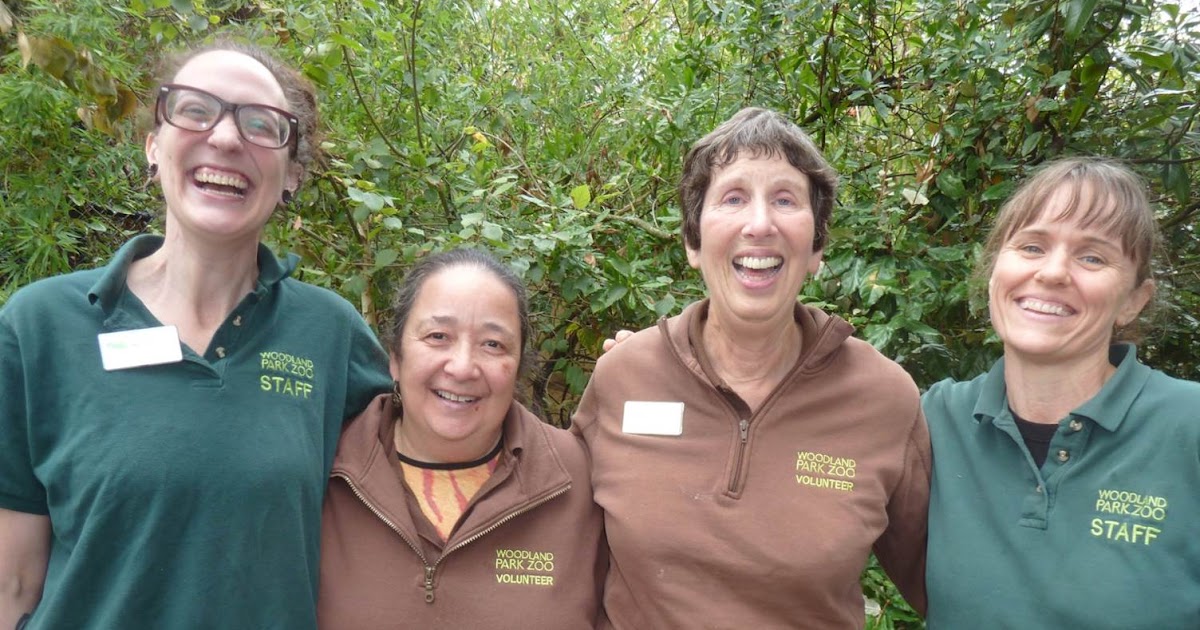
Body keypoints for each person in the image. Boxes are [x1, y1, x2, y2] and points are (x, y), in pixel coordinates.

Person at [0, 39, 392, 629]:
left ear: (292, 176)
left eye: (263, 125)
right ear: (153, 146)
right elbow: (13, 583)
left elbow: (446, 460)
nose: (228, 139)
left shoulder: (332, 336)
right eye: (195, 110)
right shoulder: (38, 327)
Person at [572, 107, 930, 628]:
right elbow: (555, 548)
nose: (759, 225)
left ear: (817, 248)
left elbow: (952, 584)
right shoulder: (623, 376)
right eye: (733, 198)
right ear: (693, 242)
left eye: (785, 200)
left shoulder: (884, 398)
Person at [923, 157, 1200, 628]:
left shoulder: (1188, 425)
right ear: (994, 272)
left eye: (1092, 257)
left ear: (1134, 300)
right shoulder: (932, 421)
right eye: (1031, 246)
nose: (1052, 273)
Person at [317, 248, 606, 629]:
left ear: (518, 366)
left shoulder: (581, 477)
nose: (463, 367)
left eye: (493, 344)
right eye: (438, 336)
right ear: (395, 357)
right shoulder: (323, 469)